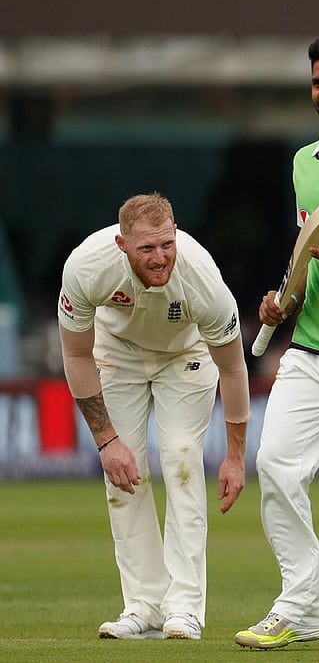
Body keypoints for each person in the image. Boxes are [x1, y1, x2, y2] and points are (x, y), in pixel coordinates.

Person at [57, 192, 250, 641]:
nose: (160, 257)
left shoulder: (202, 278)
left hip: (186, 353)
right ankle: (143, 606)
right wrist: (107, 442)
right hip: (117, 352)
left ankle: (184, 607)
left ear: (176, 233)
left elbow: (234, 367)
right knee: (124, 474)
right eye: (147, 249)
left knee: (182, 458)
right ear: (122, 245)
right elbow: (75, 352)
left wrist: (236, 456)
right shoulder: (87, 266)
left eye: (167, 244)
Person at [234, 33, 319, 650]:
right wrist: (282, 299)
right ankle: (301, 608)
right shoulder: (302, 163)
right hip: (311, 343)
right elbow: (306, 256)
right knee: (276, 467)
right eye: (318, 82)